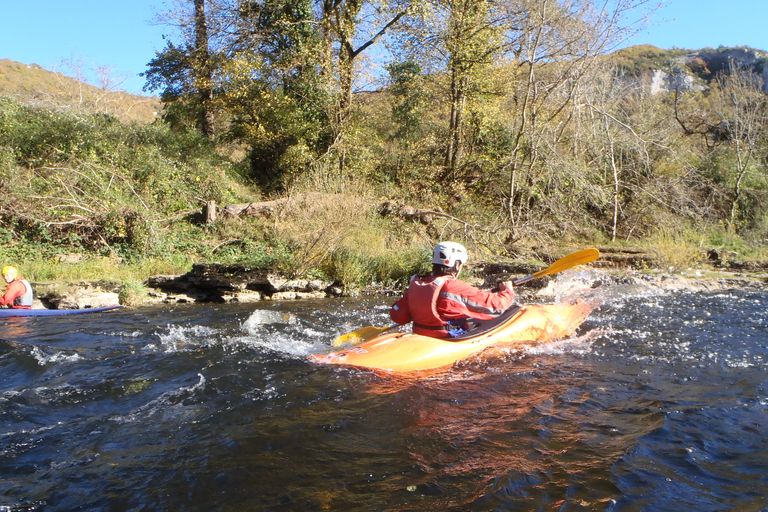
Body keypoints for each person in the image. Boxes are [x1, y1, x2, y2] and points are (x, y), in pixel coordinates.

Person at [389, 241, 516, 339]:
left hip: (421, 337)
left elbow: (398, 316)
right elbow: (497, 306)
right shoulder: (454, 286)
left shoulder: (418, 283)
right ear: (457, 264)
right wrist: (507, 291)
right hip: (447, 339)